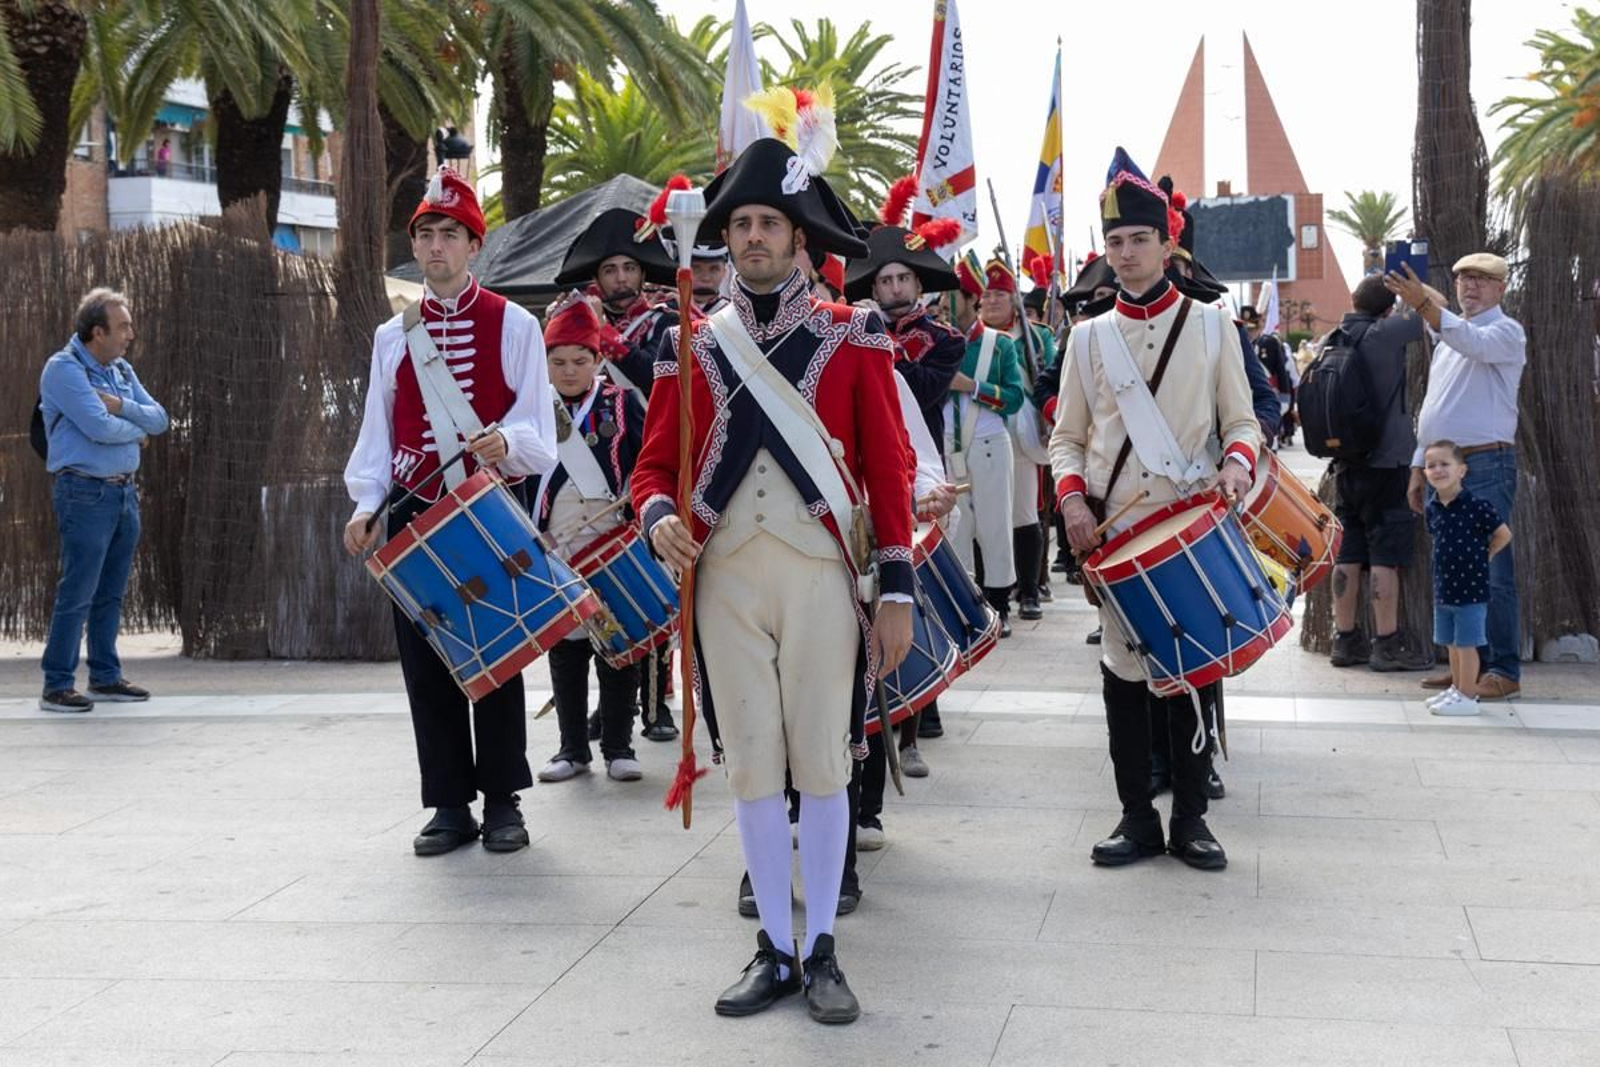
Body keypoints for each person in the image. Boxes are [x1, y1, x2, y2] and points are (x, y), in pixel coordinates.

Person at [632, 133, 915, 1025]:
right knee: (752, 761)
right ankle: (775, 950)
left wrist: (897, 587)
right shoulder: (695, 341)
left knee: (823, 763)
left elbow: (890, 467)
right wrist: (656, 517)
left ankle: (823, 944)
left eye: (768, 223)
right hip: (724, 580)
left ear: (800, 238)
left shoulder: (852, 330)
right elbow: (650, 468)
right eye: (741, 223)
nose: (751, 236)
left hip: (821, 575)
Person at [1050, 152, 1258, 871]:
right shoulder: (1086, 337)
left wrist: (1237, 462)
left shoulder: (1211, 326)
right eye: (1115, 243)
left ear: (1167, 244)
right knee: (1122, 677)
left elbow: (1243, 423)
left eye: (1139, 240)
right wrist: (1072, 499)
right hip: (1114, 533)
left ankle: (1192, 819)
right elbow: (1067, 438)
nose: (1127, 254)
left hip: (1190, 525)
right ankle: (1137, 816)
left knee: (1194, 675)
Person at [342, 168, 559, 856]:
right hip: (413, 516)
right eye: (426, 234)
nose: (436, 247)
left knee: (497, 654)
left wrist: (508, 441)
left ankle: (503, 801)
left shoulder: (515, 323)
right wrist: (365, 503)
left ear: (473, 245)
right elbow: (379, 427)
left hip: (488, 509)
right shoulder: (390, 336)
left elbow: (538, 433)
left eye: (449, 235)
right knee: (425, 663)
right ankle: (448, 805)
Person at [555, 206, 682, 741]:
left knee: (648, 587)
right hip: (598, 473)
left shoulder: (667, 321)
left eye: (629, 269)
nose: (622, 280)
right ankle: (610, 712)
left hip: (651, 463)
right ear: (598, 278)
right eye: (611, 271)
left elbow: (658, 383)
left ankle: (655, 705)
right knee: (600, 592)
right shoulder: (579, 321)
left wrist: (611, 341)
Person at [1385, 253, 1526, 700]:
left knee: (1493, 570)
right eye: (1465, 278)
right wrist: (1416, 465)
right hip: (1446, 469)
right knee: (1453, 567)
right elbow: (1435, 406)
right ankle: (1466, 666)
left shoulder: (1505, 332)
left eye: (1483, 280)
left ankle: (1502, 669)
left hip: (1485, 466)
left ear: (1501, 288)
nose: (1471, 286)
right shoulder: (1450, 337)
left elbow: (1469, 339)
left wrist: (1425, 304)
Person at [528, 299, 646, 784]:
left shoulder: (621, 404)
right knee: (568, 649)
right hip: (555, 540)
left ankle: (619, 745)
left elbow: (644, 466)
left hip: (610, 537)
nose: (569, 371)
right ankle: (572, 749)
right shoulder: (532, 410)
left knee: (618, 644)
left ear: (598, 361)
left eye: (580, 361)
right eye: (558, 362)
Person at [38, 288, 169, 713]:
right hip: (84, 493)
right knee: (77, 590)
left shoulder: (121, 371)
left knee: (111, 591)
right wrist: (137, 428)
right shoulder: (64, 370)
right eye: (123, 326)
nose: (130, 334)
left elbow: (161, 419)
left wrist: (121, 407)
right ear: (98, 331)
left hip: (123, 492)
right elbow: (97, 428)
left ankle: (104, 676)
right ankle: (57, 684)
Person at [1327, 276, 1426, 671]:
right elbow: (1428, 315)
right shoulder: (1385, 332)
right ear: (1387, 308)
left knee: (1348, 552)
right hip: (1388, 462)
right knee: (1386, 555)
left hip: (1347, 464)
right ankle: (1387, 644)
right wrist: (1410, 286)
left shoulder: (1333, 337)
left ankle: (1344, 640)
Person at [947, 255, 1025, 638]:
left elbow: (1014, 398)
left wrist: (973, 387)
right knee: (956, 527)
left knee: (995, 526)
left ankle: (999, 603)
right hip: (949, 444)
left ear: (969, 298)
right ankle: (964, 603)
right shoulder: (937, 340)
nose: (945, 301)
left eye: (953, 295)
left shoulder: (999, 345)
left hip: (990, 442)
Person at [977, 257, 1055, 622]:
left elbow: (1049, 380)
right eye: (987, 295)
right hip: (979, 431)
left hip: (1021, 433)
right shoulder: (970, 337)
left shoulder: (1036, 336)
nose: (992, 301)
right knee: (984, 515)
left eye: (1000, 295)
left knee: (1024, 512)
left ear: (1014, 301)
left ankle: (1029, 589)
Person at [1420, 440, 1513, 716]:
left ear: (1462, 470)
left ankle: (1468, 696)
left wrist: (1486, 556)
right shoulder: (1433, 508)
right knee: (1451, 644)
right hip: (1444, 587)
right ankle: (1457, 688)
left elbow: (1503, 534)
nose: (1438, 470)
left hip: (1470, 589)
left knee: (1466, 644)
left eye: (1444, 464)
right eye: (1431, 465)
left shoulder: (1476, 505)